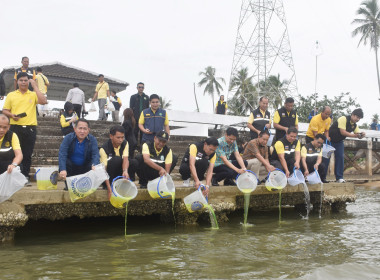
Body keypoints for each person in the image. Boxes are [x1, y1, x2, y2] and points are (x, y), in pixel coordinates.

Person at [2, 72, 47, 185]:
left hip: (30, 128)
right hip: (14, 128)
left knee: (27, 154)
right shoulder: (11, 95)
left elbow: (43, 101)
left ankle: (25, 177)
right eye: (21, 80)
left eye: (26, 80)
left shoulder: (33, 94)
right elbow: (5, 110)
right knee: (14, 154)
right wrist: (12, 115)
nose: (23, 82)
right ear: (17, 82)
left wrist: (35, 86)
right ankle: (13, 177)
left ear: (29, 82)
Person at [58, 119, 100, 190]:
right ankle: (68, 184)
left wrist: (94, 165)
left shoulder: (92, 139)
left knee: (94, 165)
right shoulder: (68, 138)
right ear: (75, 129)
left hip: (85, 169)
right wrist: (62, 169)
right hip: (71, 169)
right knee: (65, 162)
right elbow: (62, 154)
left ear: (88, 130)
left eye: (85, 129)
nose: (82, 131)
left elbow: (95, 154)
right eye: (80, 128)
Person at [99, 126, 138, 195]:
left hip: (119, 171)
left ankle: (126, 183)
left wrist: (125, 171)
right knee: (116, 159)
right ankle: (110, 184)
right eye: (118, 137)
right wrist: (108, 187)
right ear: (111, 136)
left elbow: (126, 159)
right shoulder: (103, 149)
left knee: (133, 162)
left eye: (122, 137)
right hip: (108, 175)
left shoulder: (125, 143)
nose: (121, 140)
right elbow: (103, 170)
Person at [329, 108, 365, 183]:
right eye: (357, 117)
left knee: (340, 157)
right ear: (352, 115)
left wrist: (361, 135)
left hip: (339, 142)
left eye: (359, 118)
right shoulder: (343, 119)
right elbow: (343, 132)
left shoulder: (354, 125)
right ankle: (322, 178)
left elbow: (357, 134)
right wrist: (354, 135)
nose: (358, 119)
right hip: (329, 140)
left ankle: (339, 178)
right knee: (325, 159)